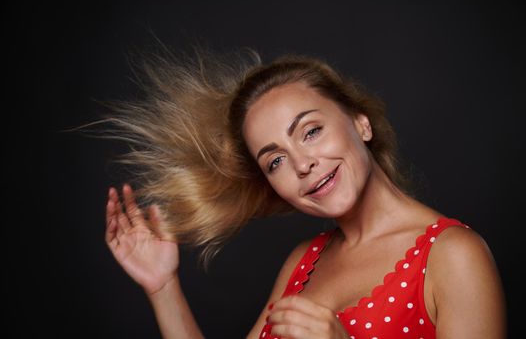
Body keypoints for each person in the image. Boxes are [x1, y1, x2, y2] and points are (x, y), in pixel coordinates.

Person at [104, 50, 506, 338]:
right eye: (275, 161)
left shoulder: (453, 255)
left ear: (360, 123)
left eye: (311, 131)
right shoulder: (303, 263)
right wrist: (163, 287)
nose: (301, 164)